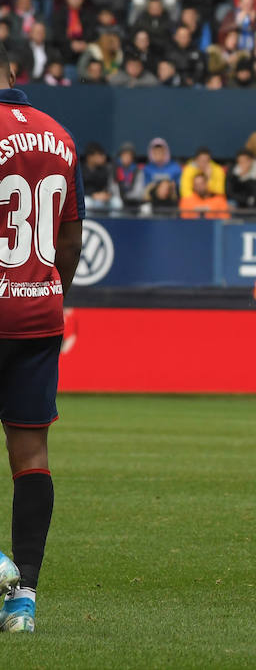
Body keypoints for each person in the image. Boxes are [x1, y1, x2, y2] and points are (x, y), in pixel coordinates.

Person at [0, 50, 85, 633]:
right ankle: (23, 597)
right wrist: (51, 290)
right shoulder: (60, 134)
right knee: (31, 458)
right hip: (38, 312)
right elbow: (72, 235)